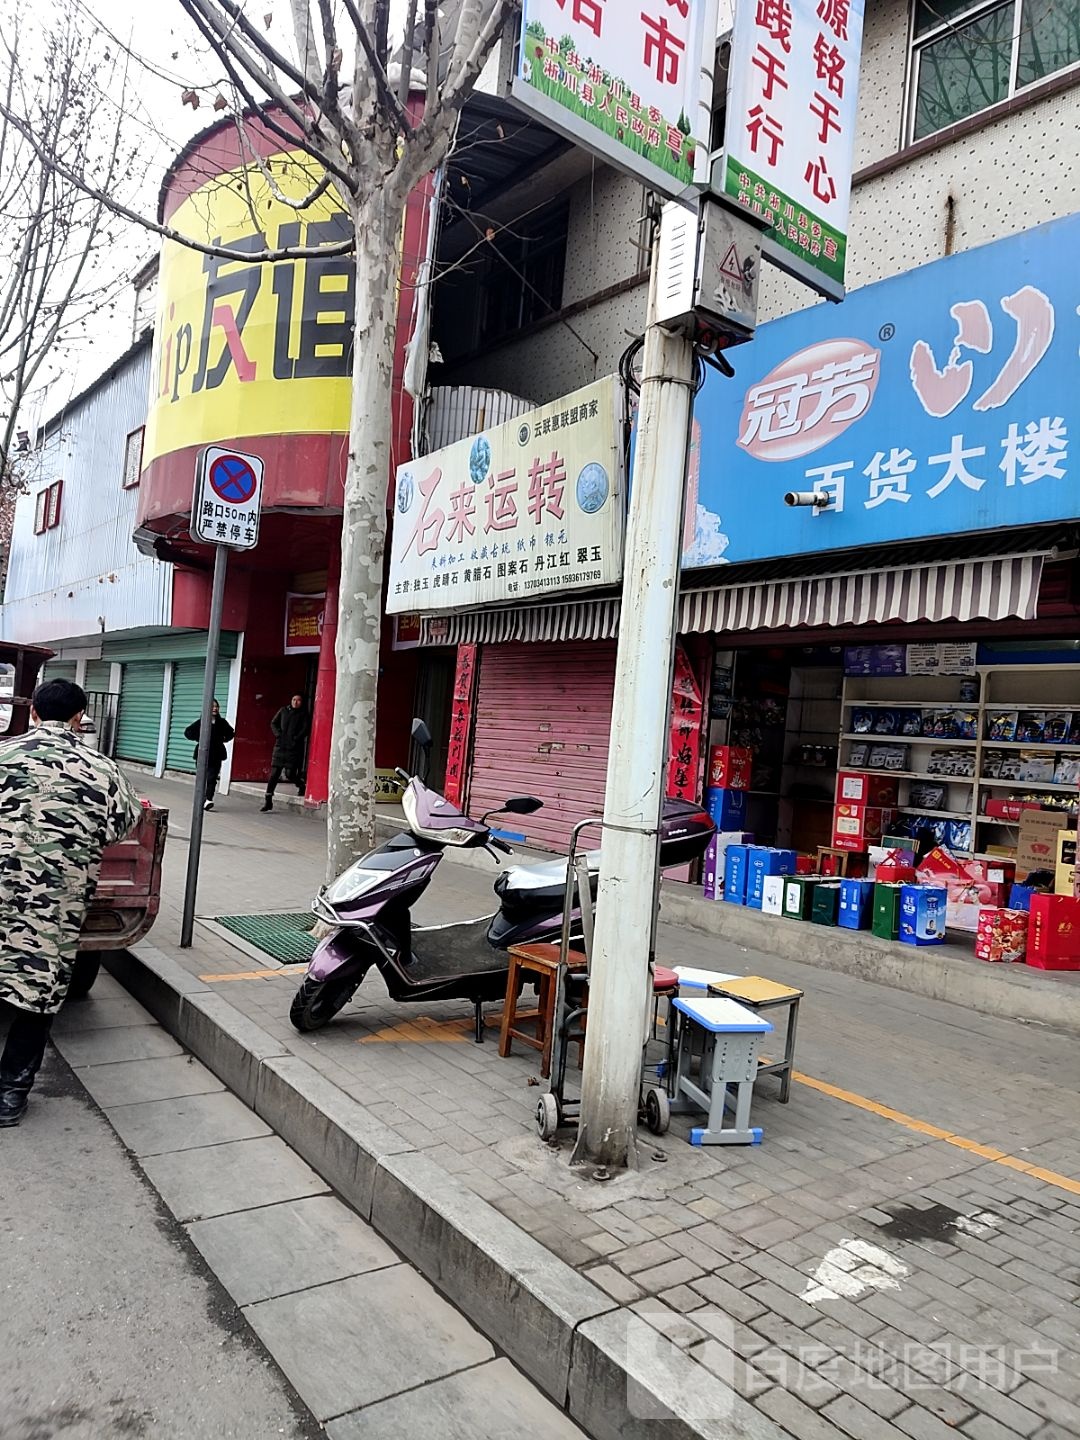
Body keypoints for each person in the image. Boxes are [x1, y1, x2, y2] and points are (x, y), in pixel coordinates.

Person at [0, 679, 142, 1127]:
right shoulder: (103, 769)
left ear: (35, 713)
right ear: (81, 717)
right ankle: (10, 1094)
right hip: (54, 904)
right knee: (37, 988)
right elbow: (122, 825)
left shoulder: (3, 755)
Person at [261, 693, 309, 812]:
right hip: (280, 746)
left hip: (293, 748)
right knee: (274, 774)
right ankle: (268, 800)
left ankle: (300, 785)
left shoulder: (303, 714)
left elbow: (305, 729)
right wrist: (278, 735)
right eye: (293, 699)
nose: (295, 702)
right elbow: (273, 723)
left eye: (298, 700)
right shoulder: (283, 710)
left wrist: (296, 738)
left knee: (289, 774)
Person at [184, 699, 235, 811]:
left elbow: (231, 733)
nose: (215, 708)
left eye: (216, 706)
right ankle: (201, 799)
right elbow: (188, 732)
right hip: (202, 754)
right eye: (212, 706)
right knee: (202, 778)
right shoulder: (201, 722)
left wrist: (224, 739)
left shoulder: (222, 723)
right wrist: (199, 739)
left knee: (212, 778)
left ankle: (208, 800)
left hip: (216, 754)